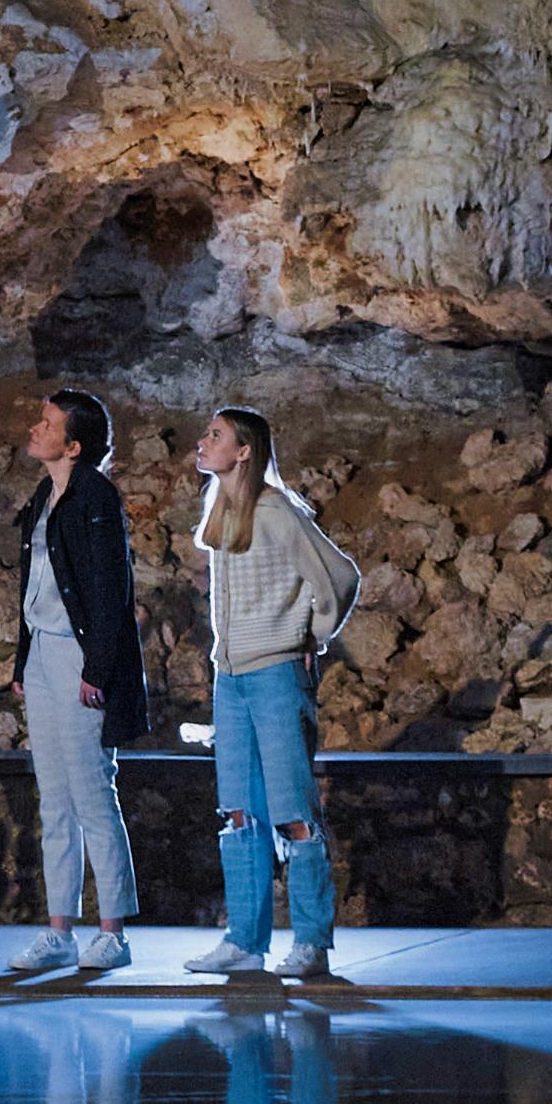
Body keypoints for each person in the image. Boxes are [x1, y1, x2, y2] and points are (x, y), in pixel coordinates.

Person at [184, 405, 364, 981]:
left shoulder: (276, 511)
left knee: (292, 811)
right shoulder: (222, 512)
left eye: (216, 435)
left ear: (243, 451)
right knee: (238, 809)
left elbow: (339, 576)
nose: (203, 441)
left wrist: (311, 635)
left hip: (275, 674)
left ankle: (311, 941)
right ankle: (244, 941)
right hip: (231, 678)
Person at [2, 388, 147, 976]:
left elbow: (111, 594)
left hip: (79, 659)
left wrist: (96, 670)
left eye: (48, 423)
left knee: (91, 792)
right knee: (53, 798)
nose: (36, 429)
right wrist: (22, 661)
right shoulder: (45, 495)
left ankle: (112, 930)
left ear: (75, 444)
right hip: (43, 656)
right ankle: (59, 929)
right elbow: (35, 586)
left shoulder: (96, 497)